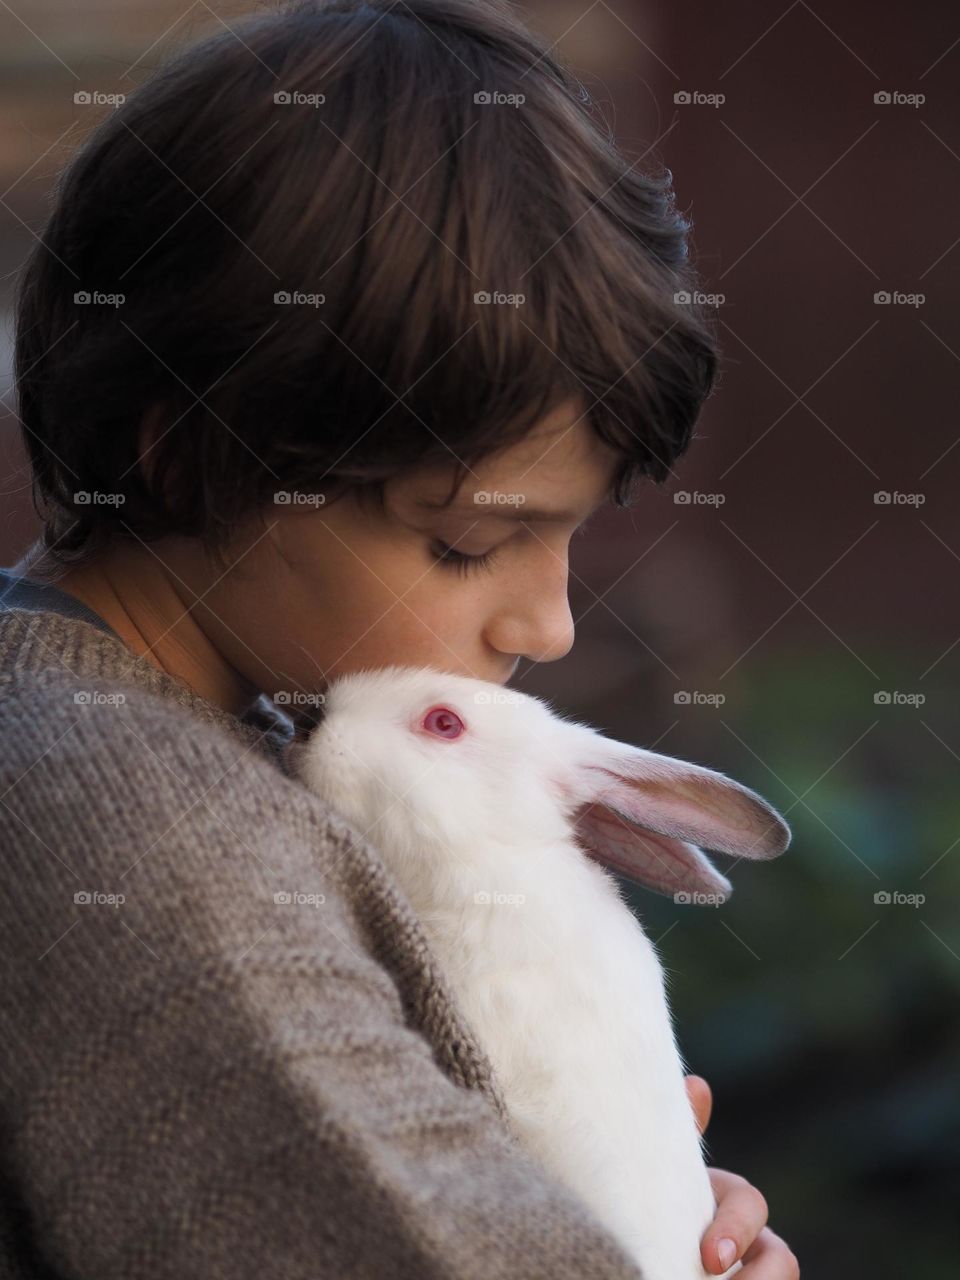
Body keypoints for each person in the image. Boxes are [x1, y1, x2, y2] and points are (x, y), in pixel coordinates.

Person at [0, 1, 799, 1276]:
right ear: (198, 451)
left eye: (569, 536)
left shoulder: (203, 722)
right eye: (470, 544)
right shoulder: (147, 829)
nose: (549, 620)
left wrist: (611, 1182)